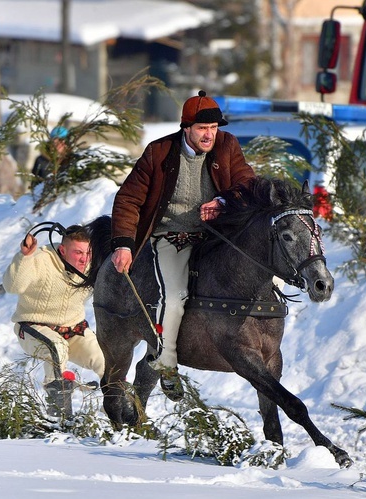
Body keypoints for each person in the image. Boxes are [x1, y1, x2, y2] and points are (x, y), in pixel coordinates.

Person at [110, 90, 256, 401]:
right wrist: (123, 244)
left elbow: (247, 185)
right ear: (186, 127)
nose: (210, 135)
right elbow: (128, 200)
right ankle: (167, 364)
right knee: (174, 298)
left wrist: (222, 201)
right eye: (203, 129)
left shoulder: (228, 146)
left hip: (215, 238)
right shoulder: (159, 152)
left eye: (214, 128)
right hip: (171, 237)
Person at [2, 224, 105, 417]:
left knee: (108, 360)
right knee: (56, 348)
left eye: (87, 252)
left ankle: (120, 415)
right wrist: (24, 257)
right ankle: (59, 414)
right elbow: (12, 286)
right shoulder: (41, 259)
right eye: (77, 252)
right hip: (33, 329)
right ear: (62, 250)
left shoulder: (91, 266)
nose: (84, 258)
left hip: (74, 331)